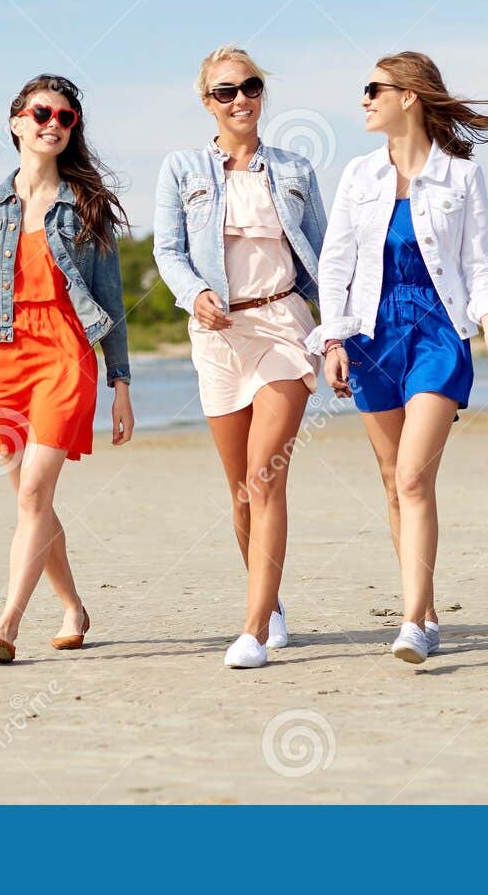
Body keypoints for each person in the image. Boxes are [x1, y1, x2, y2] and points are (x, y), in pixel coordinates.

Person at [309, 51, 488, 665]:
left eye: (373, 89)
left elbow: (479, 265)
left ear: (409, 96)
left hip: (436, 333)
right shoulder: (358, 176)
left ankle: (412, 624)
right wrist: (333, 340)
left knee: (413, 477)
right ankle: (423, 603)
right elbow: (336, 265)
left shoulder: (461, 176)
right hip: (372, 337)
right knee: (390, 482)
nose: (364, 100)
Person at [0, 74, 135, 663]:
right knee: (30, 498)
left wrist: (120, 383)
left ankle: (8, 623)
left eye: (65, 118)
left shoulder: (87, 206)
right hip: (2, 357)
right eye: (42, 113)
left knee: (34, 494)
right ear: (17, 121)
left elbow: (112, 300)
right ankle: (73, 606)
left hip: (67, 354)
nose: (53, 124)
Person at [153, 46, 327, 669]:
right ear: (207, 102)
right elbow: (168, 250)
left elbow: (326, 258)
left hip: (283, 324)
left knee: (265, 476)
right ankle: (272, 599)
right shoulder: (181, 168)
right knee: (239, 490)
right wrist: (193, 293)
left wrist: (335, 338)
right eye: (225, 92)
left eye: (249, 87)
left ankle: (253, 628)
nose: (240, 100)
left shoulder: (296, 169)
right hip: (219, 335)